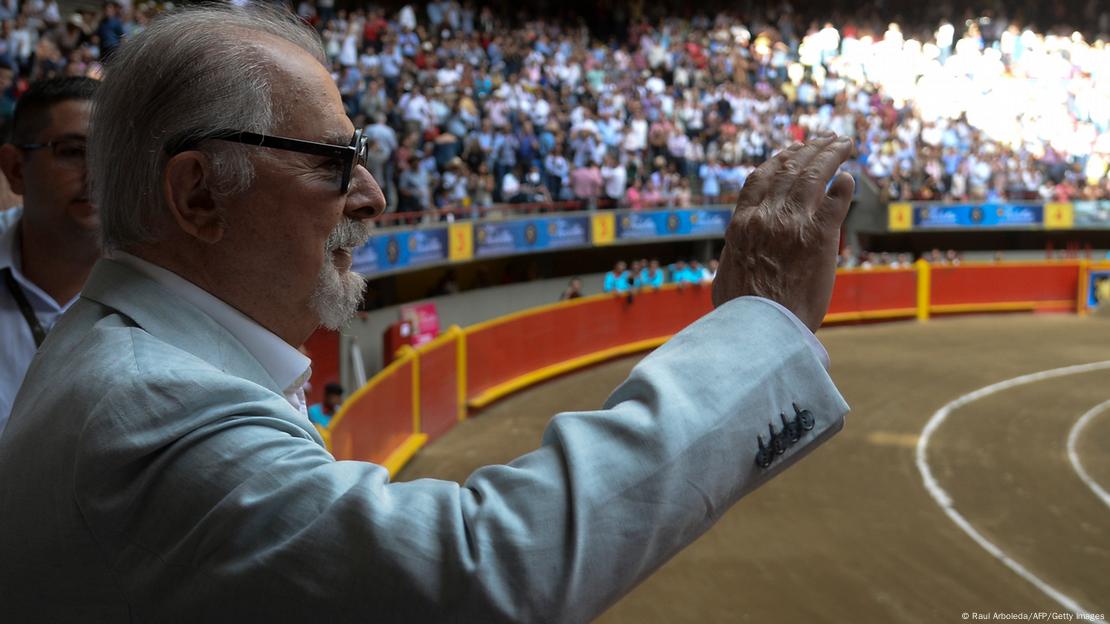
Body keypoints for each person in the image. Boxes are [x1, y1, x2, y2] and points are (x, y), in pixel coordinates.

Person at [0, 6, 856, 621]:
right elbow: (484, 573)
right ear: (198, 196)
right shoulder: (159, 408)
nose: (371, 196)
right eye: (335, 161)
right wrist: (759, 321)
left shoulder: (124, 354)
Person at [0, 76, 98, 433]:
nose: (98, 174)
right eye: (73, 151)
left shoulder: (171, 280)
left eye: (113, 153)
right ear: (15, 169)